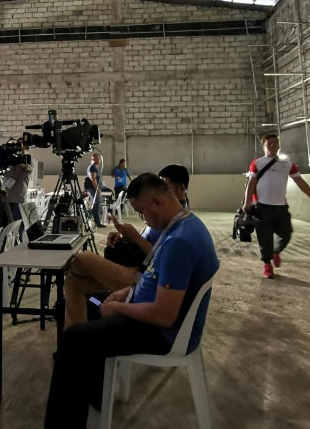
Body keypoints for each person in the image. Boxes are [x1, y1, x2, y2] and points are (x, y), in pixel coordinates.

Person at [44, 173, 218, 428]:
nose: (143, 219)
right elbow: (153, 277)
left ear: (157, 202)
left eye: (142, 212)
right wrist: (127, 292)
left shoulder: (179, 242)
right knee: (82, 306)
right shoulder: (181, 225)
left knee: (74, 340)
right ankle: (95, 391)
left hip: (162, 332)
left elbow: (163, 315)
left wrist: (119, 308)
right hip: (144, 307)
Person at [64, 164, 190, 327]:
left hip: (140, 275)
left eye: (164, 186)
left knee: (82, 259)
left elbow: (161, 257)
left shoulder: (177, 226)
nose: (159, 191)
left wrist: (135, 237)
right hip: (136, 266)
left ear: (182, 189)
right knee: (73, 281)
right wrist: (125, 236)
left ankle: (65, 269)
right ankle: (75, 332)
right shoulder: (166, 216)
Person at [242, 133, 310, 279]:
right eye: (269, 143)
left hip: (281, 207)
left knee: (286, 234)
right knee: (264, 238)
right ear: (264, 146)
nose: (272, 145)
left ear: (279, 146)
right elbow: (251, 184)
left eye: (275, 143)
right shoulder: (258, 163)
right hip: (262, 207)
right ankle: (267, 265)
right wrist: (247, 202)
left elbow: (300, 182)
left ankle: (276, 251)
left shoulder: (288, 164)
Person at [0, 144, 32, 230]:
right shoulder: (8, 166)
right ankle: (3, 238)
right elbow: (6, 183)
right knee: (3, 226)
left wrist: (20, 164)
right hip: (6, 199)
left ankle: (18, 238)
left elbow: (28, 168)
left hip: (18, 200)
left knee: (18, 225)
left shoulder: (26, 166)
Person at [84, 153, 105, 228]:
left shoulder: (94, 167)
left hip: (93, 188)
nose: (99, 159)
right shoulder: (92, 167)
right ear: (94, 159)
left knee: (97, 204)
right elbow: (93, 179)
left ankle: (91, 218)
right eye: (97, 158)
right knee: (96, 205)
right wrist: (97, 189)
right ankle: (96, 221)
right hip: (93, 188)